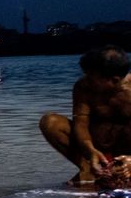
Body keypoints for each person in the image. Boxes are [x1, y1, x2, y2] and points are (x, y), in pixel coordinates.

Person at [39, 45, 131, 185]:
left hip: (126, 152)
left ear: (115, 80)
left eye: (92, 78)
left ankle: (123, 169)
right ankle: (88, 169)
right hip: (98, 148)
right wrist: (90, 150)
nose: (86, 80)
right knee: (50, 122)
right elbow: (80, 123)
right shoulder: (83, 87)